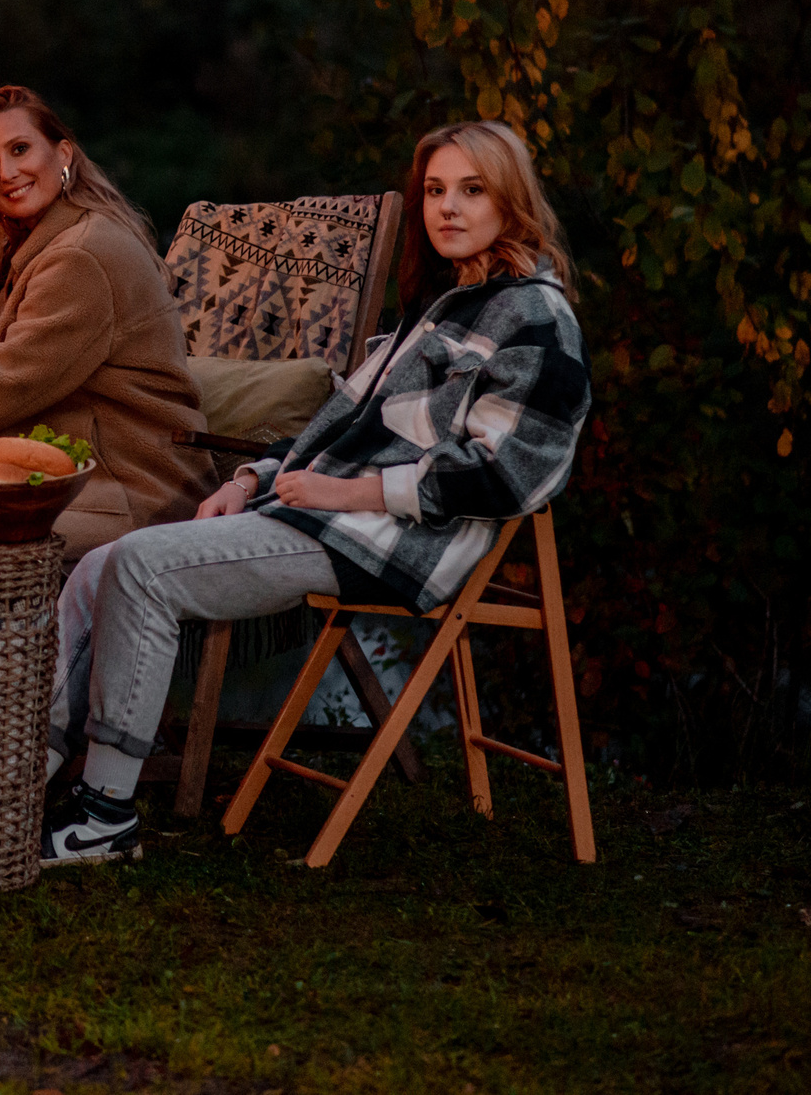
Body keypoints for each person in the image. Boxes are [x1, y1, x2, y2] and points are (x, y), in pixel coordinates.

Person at [39, 119, 593, 865]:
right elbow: (339, 424)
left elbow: (510, 473)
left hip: (384, 539)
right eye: (434, 190)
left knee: (139, 569)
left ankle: (105, 815)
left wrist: (344, 492)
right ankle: (19, 781)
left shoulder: (535, 316)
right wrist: (249, 478)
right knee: (97, 567)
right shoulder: (441, 306)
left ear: (511, 201)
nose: (447, 208)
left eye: (472, 190)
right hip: (316, 513)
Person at [0, 85, 214, 561]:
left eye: (20, 149)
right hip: (75, 489)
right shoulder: (47, 245)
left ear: (63, 153)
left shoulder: (81, 256)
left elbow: (8, 382)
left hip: (131, 494)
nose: (7, 173)